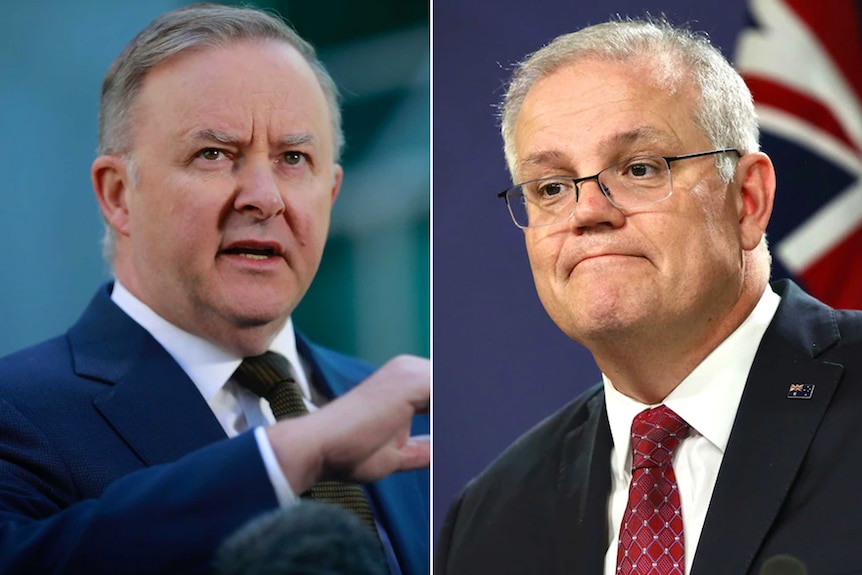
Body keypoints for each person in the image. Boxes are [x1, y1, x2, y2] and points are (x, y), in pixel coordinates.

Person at [0, 4, 429, 574]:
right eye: (214, 155)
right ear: (118, 195)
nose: (264, 197)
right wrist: (291, 457)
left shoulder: (412, 421)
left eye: (294, 159)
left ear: (330, 194)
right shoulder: (16, 414)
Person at [435, 16, 862, 575]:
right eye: (552, 188)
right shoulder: (489, 519)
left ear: (748, 200)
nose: (588, 211)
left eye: (639, 168)